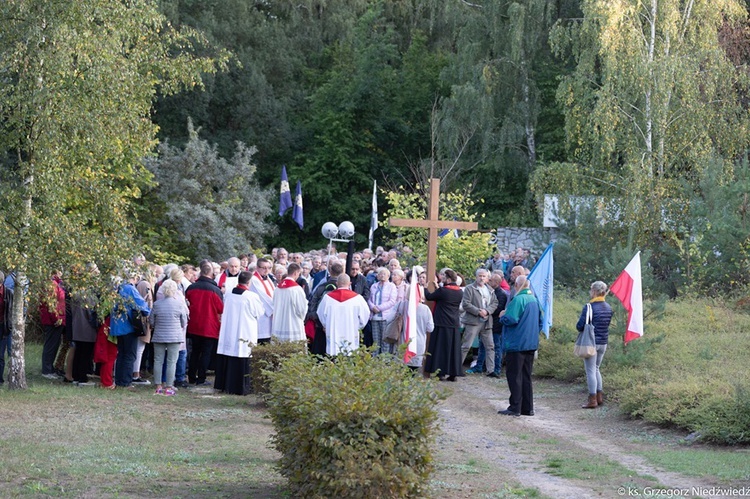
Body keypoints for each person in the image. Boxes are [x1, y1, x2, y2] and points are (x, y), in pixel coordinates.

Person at [215, 271, 264, 395]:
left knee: (230, 354)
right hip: (244, 330)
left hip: (230, 330)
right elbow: (259, 312)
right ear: (249, 282)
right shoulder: (251, 296)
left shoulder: (229, 294)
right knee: (243, 354)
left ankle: (225, 385)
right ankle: (242, 387)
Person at [498, 275, 542, 416]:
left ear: (517, 285)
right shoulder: (534, 300)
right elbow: (540, 321)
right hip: (531, 343)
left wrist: (502, 316)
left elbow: (511, 319)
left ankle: (515, 407)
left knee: (514, 375)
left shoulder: (518, 299)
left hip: (517, 343)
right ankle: (528, 408)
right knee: (526, 376)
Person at [185, 260, 225, 387]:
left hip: (194, 325)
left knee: (195, 352)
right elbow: (221, 309)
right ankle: (201, 378)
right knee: (206, 353)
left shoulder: (191, 288)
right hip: (210, 326)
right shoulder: (215, 290)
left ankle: (191, 376)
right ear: (211, 273)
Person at [110, 269, 151, 389]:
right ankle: (126, 382)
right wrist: (147, 309)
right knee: (130, 355)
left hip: (117, 325)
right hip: (128, 326)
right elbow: (141, 305)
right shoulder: (130, 289)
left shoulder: (117, 288)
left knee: (121, 354)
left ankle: (119, 380)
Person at [577, 280, 613, 409]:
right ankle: (599, 397)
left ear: (594, 291)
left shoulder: (589, 307)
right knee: (597, 368)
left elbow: (580, 326)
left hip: (591, 343)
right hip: (603, 342)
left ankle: (592, 400)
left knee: (590, 371)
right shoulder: (608, 307)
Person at [149, 279, 188, 396]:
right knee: (172, 361)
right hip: (175, 336)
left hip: (159, 335)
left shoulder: (156, 304)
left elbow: (151, 322)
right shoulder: (179, 304)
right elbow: (184, 321)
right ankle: (169, 386)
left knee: (158, 360)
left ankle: (158, 385)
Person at [423, 269, 463, 381]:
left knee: (440, 348)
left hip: (441, 322)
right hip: (454, 322)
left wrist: (426, 288)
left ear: (449, 279)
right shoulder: (459, 291)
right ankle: (453, 373)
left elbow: (429, 297)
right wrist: (439, 287)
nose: (443, 280)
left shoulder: (443, 291)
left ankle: (440, 372)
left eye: (444, 278)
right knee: (453, 349)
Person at [316, 274, 370, 356]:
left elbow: (320, 313)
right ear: (350, 283)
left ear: (337, 283)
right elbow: (365, 315)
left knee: (334, 356)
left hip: (333, 332)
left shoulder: (327, 298)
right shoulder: (358, 298)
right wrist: (358, 327)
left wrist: (327, 325)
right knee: (350, 354)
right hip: (351, 332)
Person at [460, 268, 498, 377]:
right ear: (476, 277)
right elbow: (466, 304)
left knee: (490, 346)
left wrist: (487, 311)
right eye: (480, 276)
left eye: (483, 276)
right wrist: (478, 311)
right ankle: (457, 368)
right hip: (473, 321)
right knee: (466, 346)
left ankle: (491, 370)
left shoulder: (490, 289)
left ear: (487, 278)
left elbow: (495, 303)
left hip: (487, 322)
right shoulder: (469, 288)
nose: (481, 278)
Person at [306, 262, 344, 355]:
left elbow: (313, 303)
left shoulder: (322, 286)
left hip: (320, 325)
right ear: (342, 272)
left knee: (320, 354)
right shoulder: (345, 288)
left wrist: (317, 320)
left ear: (330, 272)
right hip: (338, 326)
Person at [40, 270, 66, 379]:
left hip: (58, 319)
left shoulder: (57, 284)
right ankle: (46, 370)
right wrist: (56, 318)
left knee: (55, 344)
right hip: (53, 320)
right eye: (60, 271)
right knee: (50, 345)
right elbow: (51, 304)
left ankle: (50, 368)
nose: (61, 273)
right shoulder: (51, 285)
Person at [272, 263, 308, 342]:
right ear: (295, 273)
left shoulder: (277, 289)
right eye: (299, 274)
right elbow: (302, 310)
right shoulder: (297, 289)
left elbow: (273, 305)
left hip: (279, 324)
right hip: (293, 324)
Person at [367, 267, 398, 355]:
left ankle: (384, 361)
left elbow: (392, 301)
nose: (382, 275)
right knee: (376, 340)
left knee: (385, 340)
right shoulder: (374, 286)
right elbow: (369, 299)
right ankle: (375, 359)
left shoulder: (391, 286)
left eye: (384, 274)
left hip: (385, 317)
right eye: (380, 273)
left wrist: (379, 308)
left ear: (388, 276)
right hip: (374, 317)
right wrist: (373, 307)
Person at [249, 257, 275, 344]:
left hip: (269, 315)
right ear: (257, 268)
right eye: (264, 268)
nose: (266, 270)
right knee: (262, 338)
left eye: (269, 268)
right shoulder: (254, 280)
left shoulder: (269, 279)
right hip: (262, 315)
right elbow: (263, 297)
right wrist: (274, 309)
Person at [0, 271, 13, 385]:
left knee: (1, 354)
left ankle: (0, 379)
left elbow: (11, 311)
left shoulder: (8, 293)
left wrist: (9, 326)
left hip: (3, 326)